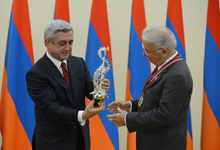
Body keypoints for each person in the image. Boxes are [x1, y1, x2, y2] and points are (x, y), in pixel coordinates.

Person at [26, 20, 110, 150]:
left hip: (80, 139)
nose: (68, 48)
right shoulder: (36, 73)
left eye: (70, 42)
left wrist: (100, 89)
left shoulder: (78, 63)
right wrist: (82, 115)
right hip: (52, 143)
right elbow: (52, 108)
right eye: (62, 43)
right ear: (48, 43)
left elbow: (90, 90)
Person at [107, 24, 193, 150]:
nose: (143, 54)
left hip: (164, 145)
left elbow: (164, 115)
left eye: (147, 51)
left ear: (164, 51)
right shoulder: (166, 66)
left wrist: (127, 118)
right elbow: (155, 99)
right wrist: (130, 105)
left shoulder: (177, 75)